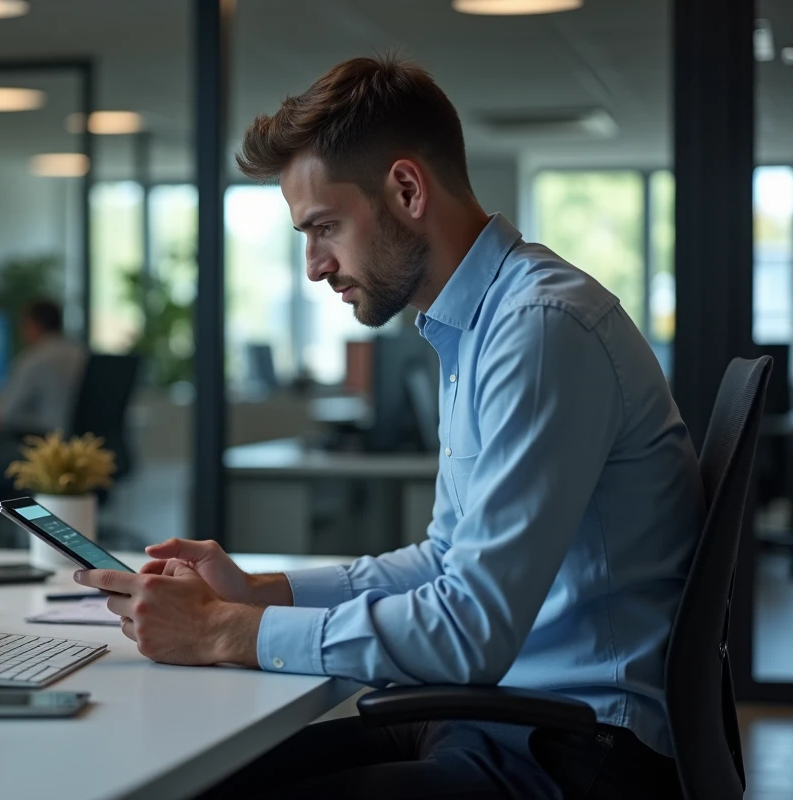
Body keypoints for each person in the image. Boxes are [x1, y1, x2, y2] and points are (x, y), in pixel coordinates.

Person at [73, 55, 701, 799]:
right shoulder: (478, 324)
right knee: (211, 779)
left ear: (405, 189)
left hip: (575, 748)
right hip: (508, 714)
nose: (313, 266)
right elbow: (444, 561)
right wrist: (256, 595)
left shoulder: (539, 327)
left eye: (324, 227)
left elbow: (469, 632)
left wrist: (220, 631)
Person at [0, 298, 86, 435]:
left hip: (45, 445)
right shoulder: (81, 354)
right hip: (83, 446)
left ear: (34, 325)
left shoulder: (34, 360)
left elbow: (0, 417)